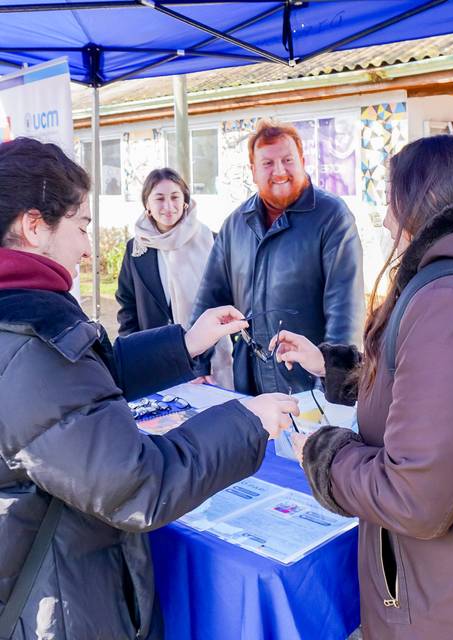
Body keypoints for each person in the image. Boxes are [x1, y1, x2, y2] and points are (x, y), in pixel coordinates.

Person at [0, 137, 299, 640]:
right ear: (34, 227)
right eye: (80, 226)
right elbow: (137, 484)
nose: (88, 247)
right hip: (59, 604)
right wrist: (247, 422)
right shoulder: (32, 341)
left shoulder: (21, 323)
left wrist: (186, 342)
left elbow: (79, 389)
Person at [271, 134, 453, 639]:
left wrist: (321, 455)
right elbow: (429, 390)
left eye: (390, 203)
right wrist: (331, 365)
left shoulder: (450, 297)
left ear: (418, 203)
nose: (386, 220)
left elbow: (415, 496)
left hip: (442, 603)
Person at [190, 118, 365, 396]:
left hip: (311, 387)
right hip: (251, 385)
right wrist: (197, 366)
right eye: (268, 163)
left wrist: (335, 381)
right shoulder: (236, 224)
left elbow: (345, 308)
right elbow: (209, 300)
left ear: (303, 160)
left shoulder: (332, 217)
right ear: (253, 170)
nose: (279, 171)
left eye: (287, 160)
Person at [116, 167, 233, 388]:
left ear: (185, 201)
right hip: (154, 363)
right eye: (159, 198)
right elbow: (128, 307)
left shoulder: (212, 242)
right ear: (147, 205)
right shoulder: (136, 249)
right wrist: (134, 357)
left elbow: (223, 307)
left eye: (175, 197)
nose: (168, 206)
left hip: (208, 369)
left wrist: (199, 365)